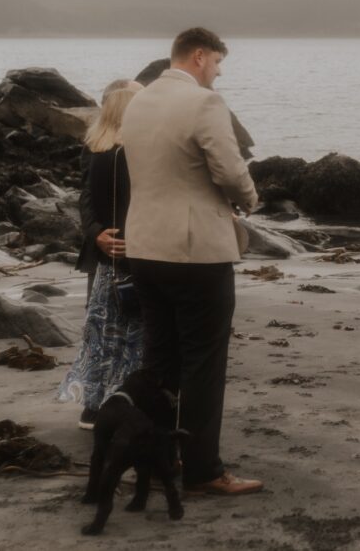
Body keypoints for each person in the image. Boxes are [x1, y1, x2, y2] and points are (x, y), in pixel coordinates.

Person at [120, 27, 262, 495]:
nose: (218, 73)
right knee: (203, 360)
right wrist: (249, 199)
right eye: (218, 63)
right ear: (199, 56)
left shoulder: (138, 101)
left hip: (143, 246)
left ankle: (155, 454)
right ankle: (203, 469)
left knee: (160, 358)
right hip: (195, 250)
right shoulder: (204, 103)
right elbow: (227, 168)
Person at [59, 80, 144, 429]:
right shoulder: (100, 148)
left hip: (120, 247)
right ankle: (100, 403)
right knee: (111, 326)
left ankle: (108, 401)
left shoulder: (107, 146)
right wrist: (97, 235)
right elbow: (87, 197)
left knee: (113, 323)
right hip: (116, 249)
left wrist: (102, 235)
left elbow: (91, 199)